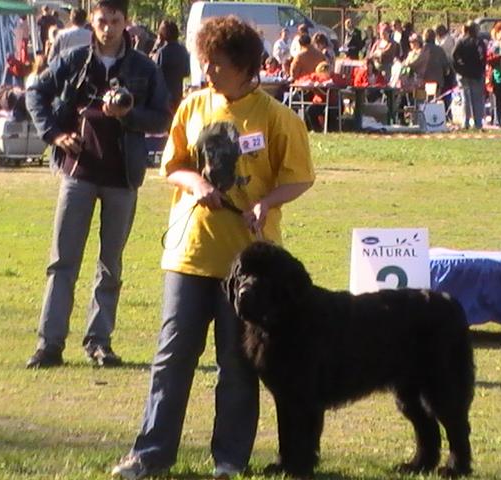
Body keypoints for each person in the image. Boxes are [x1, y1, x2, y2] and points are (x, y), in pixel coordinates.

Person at [111, 14, 314, 480]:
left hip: (247, 264)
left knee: (238, 364)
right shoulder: (192, 105)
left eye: (218, 63)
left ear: (245, 67)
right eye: (205, 60)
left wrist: (265, 203)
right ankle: (151, 454)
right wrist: (196, 181)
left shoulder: (278, 117)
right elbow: (173, 164)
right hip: (190, 252)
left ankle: (229, 460)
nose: (208, 70)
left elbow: (298, 177)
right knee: (172, 355)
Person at [24, 0, 171, 368]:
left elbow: (161, 116)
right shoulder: (73, 59)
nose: (107, 28)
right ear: (92, 21)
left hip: (122, 175)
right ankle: (49, 344)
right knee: (62, 261)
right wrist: (55, 133)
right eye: (102, 21)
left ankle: (99, 341)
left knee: (111, 264)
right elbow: (34, 92)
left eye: (115, 21)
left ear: (127, 23)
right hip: (78, 172)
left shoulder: (143, 67)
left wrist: (128, 114)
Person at [452, 21, 487, 129]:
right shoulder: (479, 42)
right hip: (476, 75)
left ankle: (465, 123)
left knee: (465, 99)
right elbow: (483, 57)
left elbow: (454, 56)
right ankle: (478, 124)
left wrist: (459, 69)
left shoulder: (461, 41)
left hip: (464, 75)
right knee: (477, 100)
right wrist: (481, 69)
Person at [151, 19, 190, 114]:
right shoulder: (183, 50)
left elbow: (153, 72)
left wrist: (155, 47)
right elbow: (186, 72)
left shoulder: (161, 52)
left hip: (162, 95)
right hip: (177, 93)